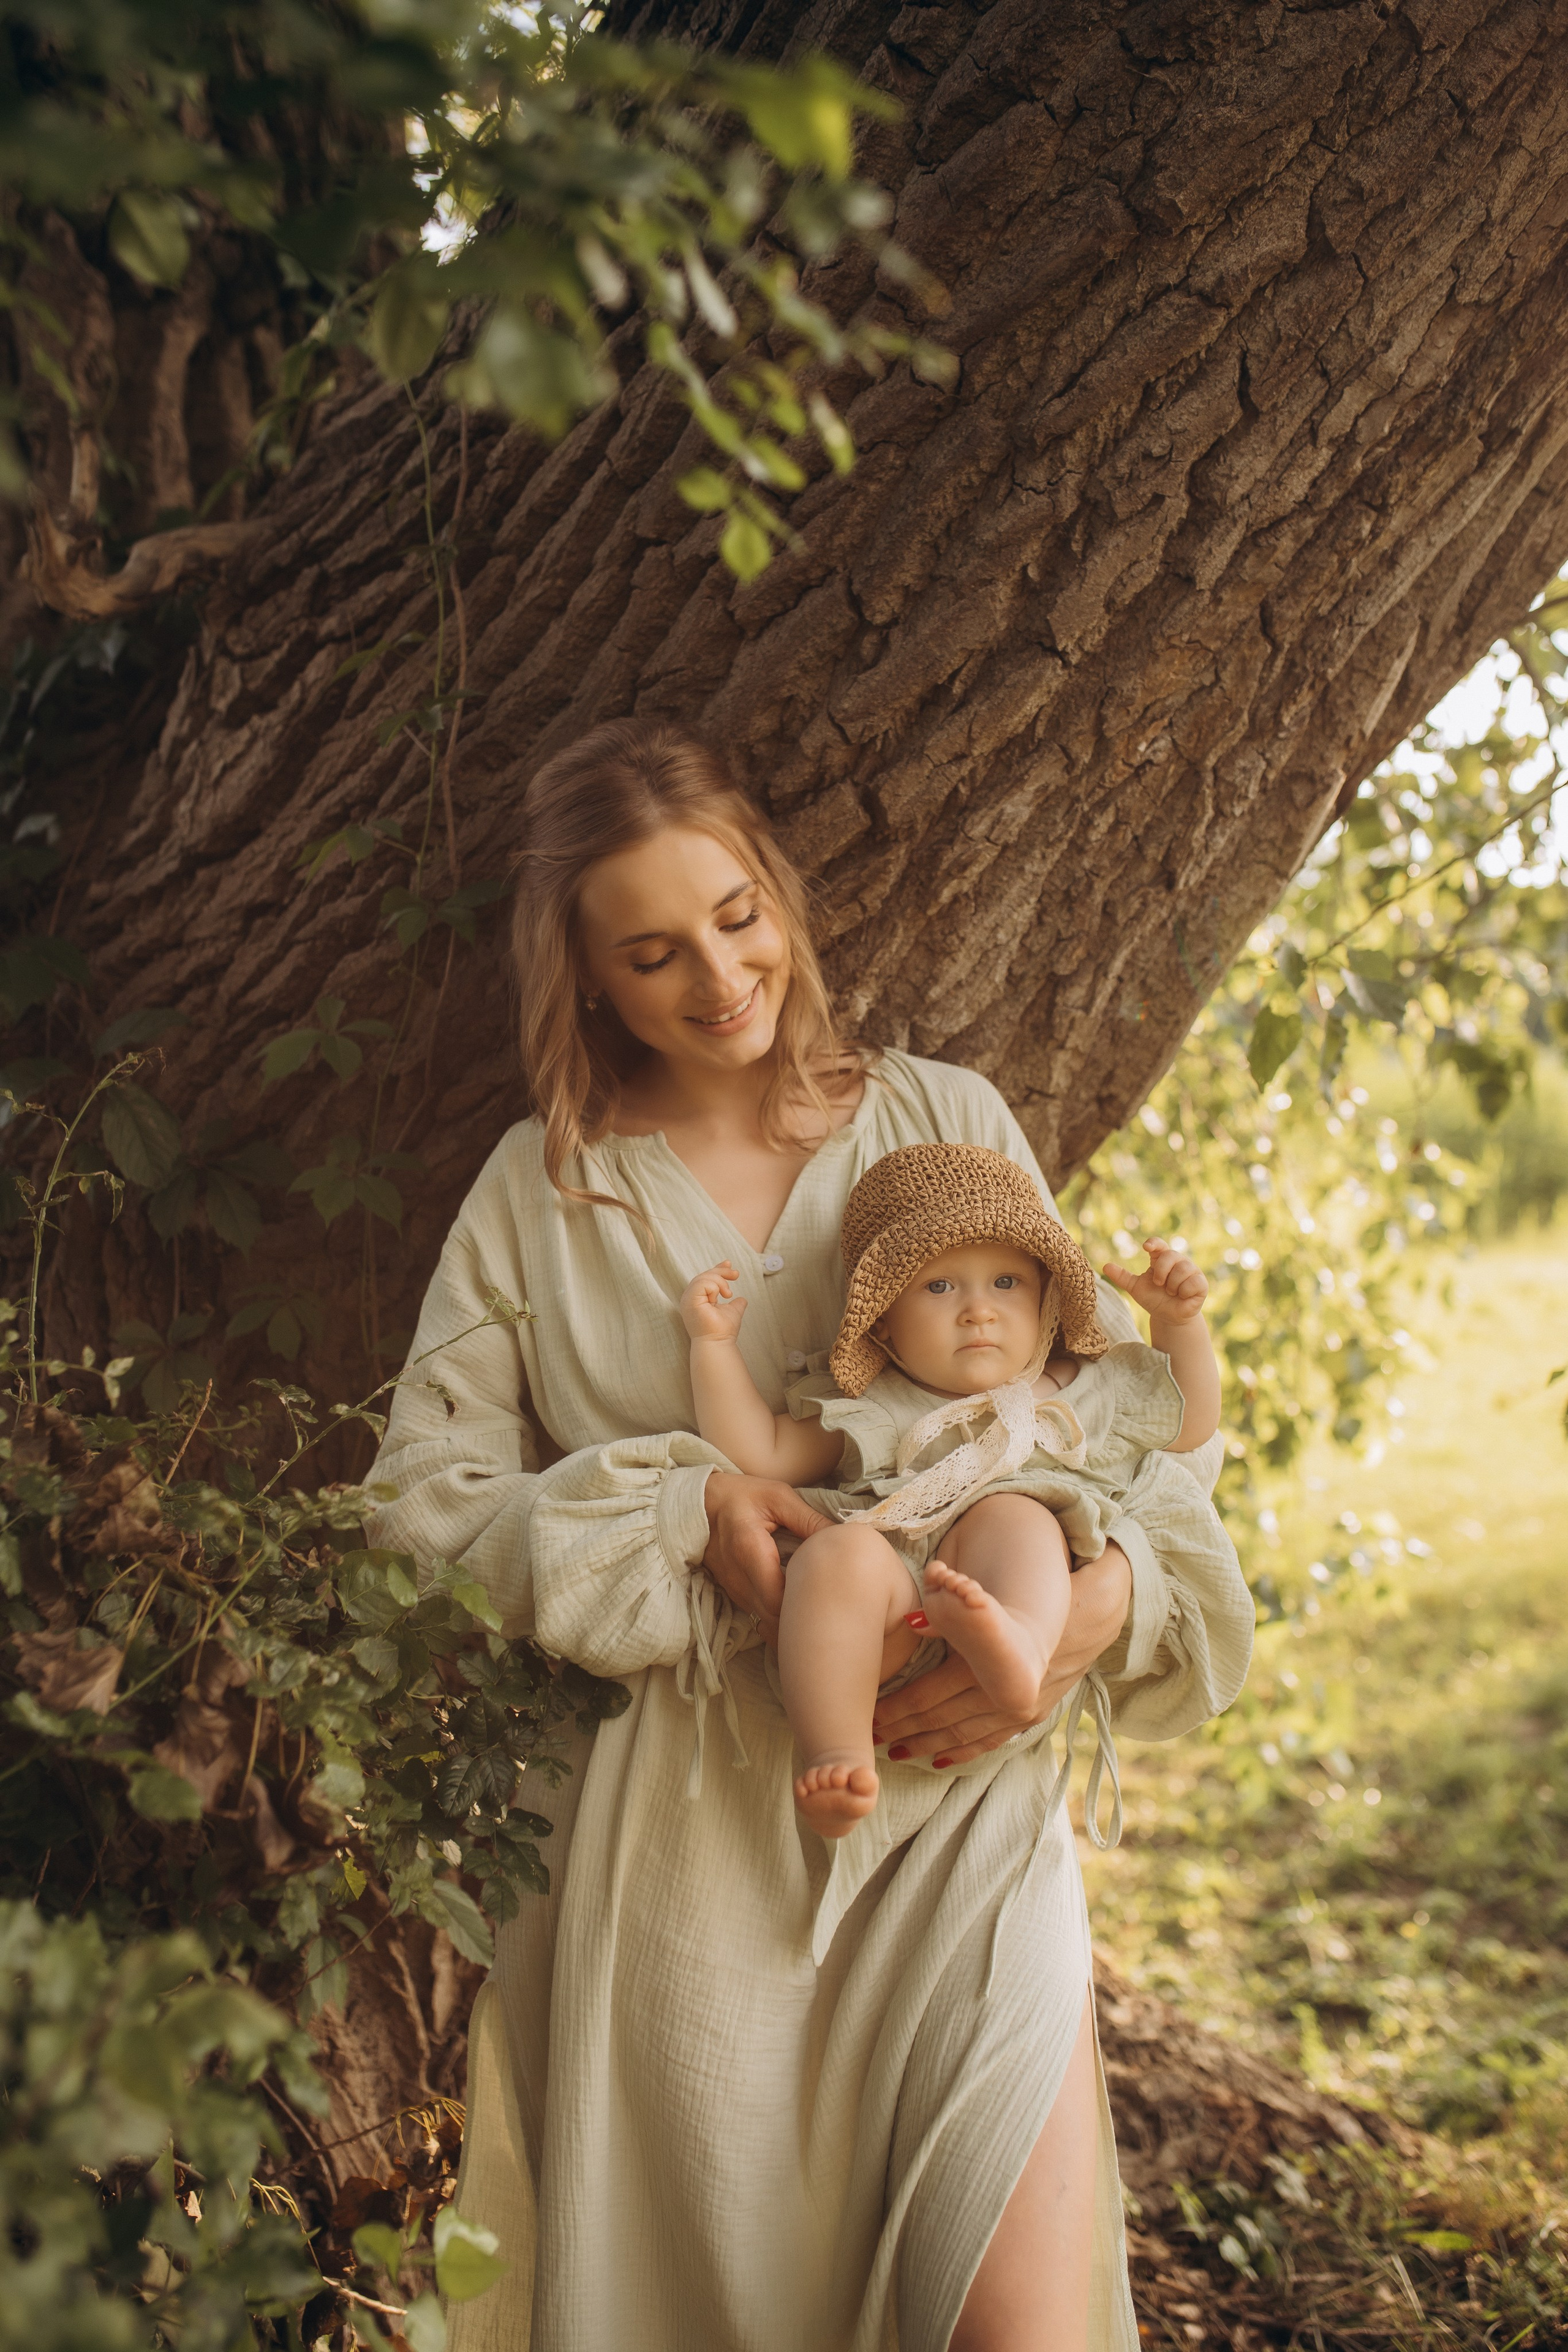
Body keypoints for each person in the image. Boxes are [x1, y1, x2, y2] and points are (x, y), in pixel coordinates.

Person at [363, 718, 1255, 2352]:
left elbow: (1087, 1426)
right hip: (683, 1845)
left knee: (1015, 2326)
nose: (718, 979)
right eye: (652, 953)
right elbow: (419, 1517)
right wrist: (679, 1506)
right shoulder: (541, 1195)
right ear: (588, 985)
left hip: (960, 1802)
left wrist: (1089, 1612)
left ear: (778, 893)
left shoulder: (945, 1118)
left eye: (736, 917)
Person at [679, 1142, 1234, 1837]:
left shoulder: (1080, 1388)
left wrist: (1178, 1324)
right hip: (897, 1608)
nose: (978, 1311)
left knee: (1019, 1514)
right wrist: (713, 1346)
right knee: (834, 1556)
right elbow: (757, 1451)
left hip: (1011, 1588)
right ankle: (837, 1754)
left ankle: (1021, 1650)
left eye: (1005, 1283)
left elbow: (1189, 1424)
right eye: (940, 1288)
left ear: (1046, 1298)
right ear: (883, 1321)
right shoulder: (881, 1404)